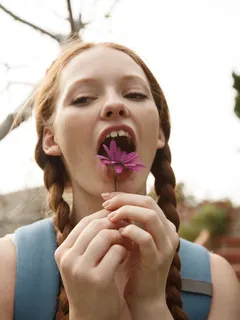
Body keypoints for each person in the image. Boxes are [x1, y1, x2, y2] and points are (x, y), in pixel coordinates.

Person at [0, 40, 239, 320]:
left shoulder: (216, 284)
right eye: (83, 98)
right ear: (51, 139)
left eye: (135, 94)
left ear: (160, 132)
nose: (114, 104)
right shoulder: (9, 270)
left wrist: (150, 305)